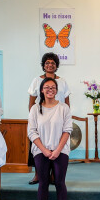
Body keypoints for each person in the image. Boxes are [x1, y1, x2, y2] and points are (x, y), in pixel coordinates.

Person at [28, 77, 73, 200]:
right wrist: (45, 150)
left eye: (53, 87)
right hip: (41, 150)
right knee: (43, 182)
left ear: (57, 90)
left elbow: (67, 130)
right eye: (47, 87)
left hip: (61, 150)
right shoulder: (35, 109)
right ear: (41, 90)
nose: (50, 90)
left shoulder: (63, 108)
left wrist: (58, 150)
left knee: (60, 182)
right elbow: (32, 132)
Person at [27, 52, 71, 185]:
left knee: (57, 147)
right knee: (39, 149)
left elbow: (67, 101)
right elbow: (31, 102)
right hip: (41, 118)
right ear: (43, 65)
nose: (50, 65)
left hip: (58, 118)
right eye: (47, 63)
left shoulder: (62, 81)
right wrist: (35, 117)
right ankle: (37, 175)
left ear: (56, 65)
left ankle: (53, 175)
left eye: (52, 63)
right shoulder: (37, 80)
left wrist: (65, 117)